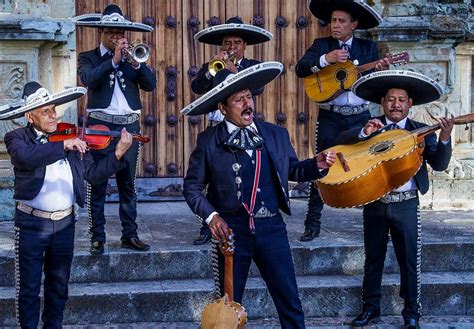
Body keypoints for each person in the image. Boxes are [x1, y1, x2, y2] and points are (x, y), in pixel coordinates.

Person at [182, 62, 336, 328]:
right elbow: (192, 188)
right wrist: (212, 217)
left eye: (248, 97)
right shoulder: (208, 141)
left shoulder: (275, 134)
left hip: (272, 228)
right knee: (227, 309)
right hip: (231, 232)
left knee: (289, 301)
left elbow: (294, 170)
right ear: (223, 108)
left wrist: (316, 164)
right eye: (238, 99)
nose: (246, 104)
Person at [1, 81, 132, 328]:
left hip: (64, 224)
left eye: (53, 110)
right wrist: (62, 145)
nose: (53, 116)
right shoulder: (16, 137)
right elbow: (26, 158)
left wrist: (117, 154)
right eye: (45, 112)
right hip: (31, 224)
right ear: (30, 116)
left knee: (59, 285)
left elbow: (92, 174)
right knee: (28, 288)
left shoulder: (70, 136)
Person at [336, 70, 454, 329]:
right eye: (391, 99)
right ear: (383, 103)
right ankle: (371, 309)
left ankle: (412, 313)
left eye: (401, 99)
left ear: (410, 104)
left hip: (407, 203)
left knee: (409, 260)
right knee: (373, 258)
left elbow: (440, 164)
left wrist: (444, 138)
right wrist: (365, 134)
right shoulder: (371, 126)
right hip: (375, 201)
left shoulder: (422, 132)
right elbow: (342, 141)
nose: (396, 104)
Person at [295, 0, 389, 241]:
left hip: (361, 117)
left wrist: (379, 70)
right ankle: (312, 223)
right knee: (322, 166)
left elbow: (377, 85)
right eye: (333, 21)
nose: (335, 25)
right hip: (331, 117)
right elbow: (301, 69)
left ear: (353, 24)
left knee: (370, 166)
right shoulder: (321, 45)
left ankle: (376, 224)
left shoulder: (368, 48)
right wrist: (326, 59)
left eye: (341, 21)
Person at [74, 4, 157, 254]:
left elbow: (150, 84)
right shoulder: (88, 57)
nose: (116, 37)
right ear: (101, 32)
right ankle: (97, 237)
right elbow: (88, 79)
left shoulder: (133, 58)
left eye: (120, 32)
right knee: (97, 183)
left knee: (127, 184)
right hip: (100, 126)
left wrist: (136, 64)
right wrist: (113, 61)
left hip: (129, 126)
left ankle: (129, 234)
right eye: (111, 32)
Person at [190, 17, 273, 245]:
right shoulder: (213, 63)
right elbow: (196, 87)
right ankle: (208, 225)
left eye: (236, 42)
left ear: (244, 45)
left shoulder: (252, 64)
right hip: (217, 126)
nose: (231, 47)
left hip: (240, 125)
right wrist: (211, 70)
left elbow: (258, 88)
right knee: (209, 177)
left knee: (237, 174)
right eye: (227, 43)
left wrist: (234, 71)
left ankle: (245, 215)